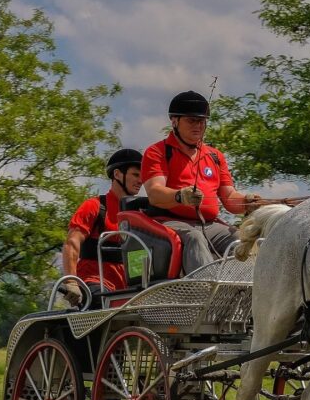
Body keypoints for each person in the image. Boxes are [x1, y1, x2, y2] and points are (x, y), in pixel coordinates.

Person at [141, 90, 259, 274]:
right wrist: (180, 196)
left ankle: (246, 289)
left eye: (202, 121)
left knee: (239, 238)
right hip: (171, 221)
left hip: (210, 224)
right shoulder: (157, 152)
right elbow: (155, 193)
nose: (198, 126)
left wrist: (247, 202)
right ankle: (205, 289)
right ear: (175, 121)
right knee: (194, 237)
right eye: (191, 120)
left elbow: (229, 197)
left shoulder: (215, 156)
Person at [60, 148, 143, 307]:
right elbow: (72, 243)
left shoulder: (139, 215)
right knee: (103, 303)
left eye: (142, 176)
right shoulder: (94, 207)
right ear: (117, 174)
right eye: (135, 175)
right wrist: (71, 282)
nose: (141, 180)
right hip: (94, 284)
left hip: (127, 289)